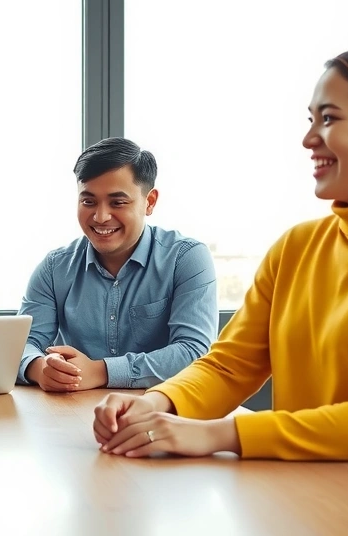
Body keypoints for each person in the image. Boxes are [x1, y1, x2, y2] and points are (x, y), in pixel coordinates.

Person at [93, 41, 348, 500]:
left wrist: (213, 434)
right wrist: (153, 404)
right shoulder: (297, 246)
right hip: (308, 496)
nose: (309, 139)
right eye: (311, 120)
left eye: (329, 119)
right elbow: (230, 366)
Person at [17, 137, 217, 392]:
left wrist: (100, 371)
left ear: (150, 202)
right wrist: (39, 367)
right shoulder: (54, 268)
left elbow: (194, 351)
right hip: (71, 407)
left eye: (118, 202)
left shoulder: (186, 258)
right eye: (88, 201)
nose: (101, 217)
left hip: (159, 408)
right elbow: (23, 344)